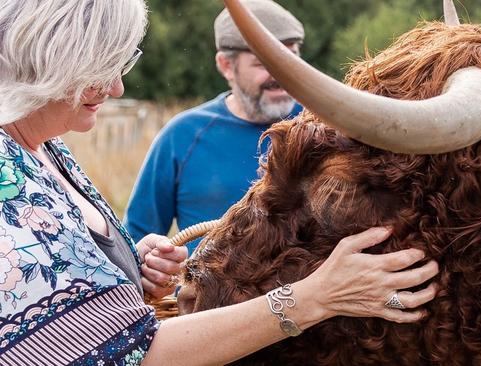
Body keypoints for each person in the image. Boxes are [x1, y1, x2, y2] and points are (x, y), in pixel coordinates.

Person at [0, 1, 439, 365]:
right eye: (101, 67)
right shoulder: (9, 183)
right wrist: (317, 297)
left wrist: (133, 268)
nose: (117, 88)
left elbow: (72, 288)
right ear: (46, 59)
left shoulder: (47, 148)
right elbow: (133, 353)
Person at [125, 0, 305, 254]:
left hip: (313, 294)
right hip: (207, 292)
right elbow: (136, 242)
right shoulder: (182, 136)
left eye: (290, 58)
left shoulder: (322, 130)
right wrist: (154, 267)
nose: (281, 74)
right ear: (226, 65)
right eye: (263, 63)